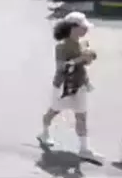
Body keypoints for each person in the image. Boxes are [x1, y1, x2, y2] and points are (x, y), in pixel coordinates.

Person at [37, 12, 100, 161]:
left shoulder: (83, 43)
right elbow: (61, 67)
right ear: (73, 27)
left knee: (81, 116)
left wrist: (89, 58)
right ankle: (44, 132)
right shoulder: (61, 47)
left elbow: (85, 61)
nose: (86, 30)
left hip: (79, 84)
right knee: (53, 111)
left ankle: (84, 149)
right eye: (83, 27)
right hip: (63, 86)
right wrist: (79, 59)